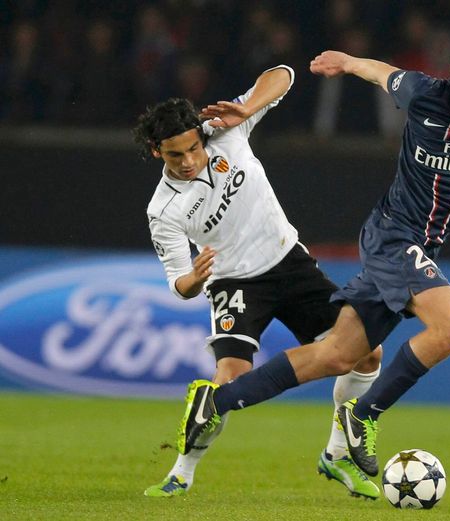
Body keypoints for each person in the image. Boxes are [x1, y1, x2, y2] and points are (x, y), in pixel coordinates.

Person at [175, 39, 450, 478]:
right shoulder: (424, 92)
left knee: (335, 356)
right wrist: (346, 62)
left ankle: (215, 402)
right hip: (392, 235)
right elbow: (378, 70)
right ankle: (364, 414)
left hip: (421, 246)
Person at [133, 64, 382, 499]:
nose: (190, 161)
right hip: (234, 283)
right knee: (227, 381)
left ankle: (337, 453)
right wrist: (193, 278)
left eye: (194, 148)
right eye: (176, 155)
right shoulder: (163, 211)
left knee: (367, 353)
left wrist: (247, 107)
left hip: (289, 262)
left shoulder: (225, 130)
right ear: (157, 152)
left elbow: (284, 75)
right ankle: (181, 473)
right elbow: (178, 283)